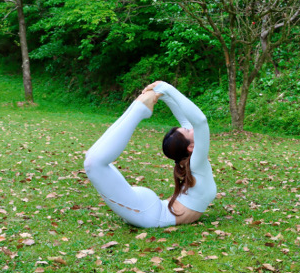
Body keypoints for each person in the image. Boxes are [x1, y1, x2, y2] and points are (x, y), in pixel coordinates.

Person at [83, 81, 217, 228]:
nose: (189, 128)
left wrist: (165, 91)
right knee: (93, 161)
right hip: (149, 213)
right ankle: (140, 108)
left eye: (187, 129)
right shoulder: (195, 161)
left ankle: (139, 108)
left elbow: (197, 122)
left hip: (148, 212)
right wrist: (164, 92)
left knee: (93, 161)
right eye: (187, 130)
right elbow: (198, 122)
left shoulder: (195, 162)